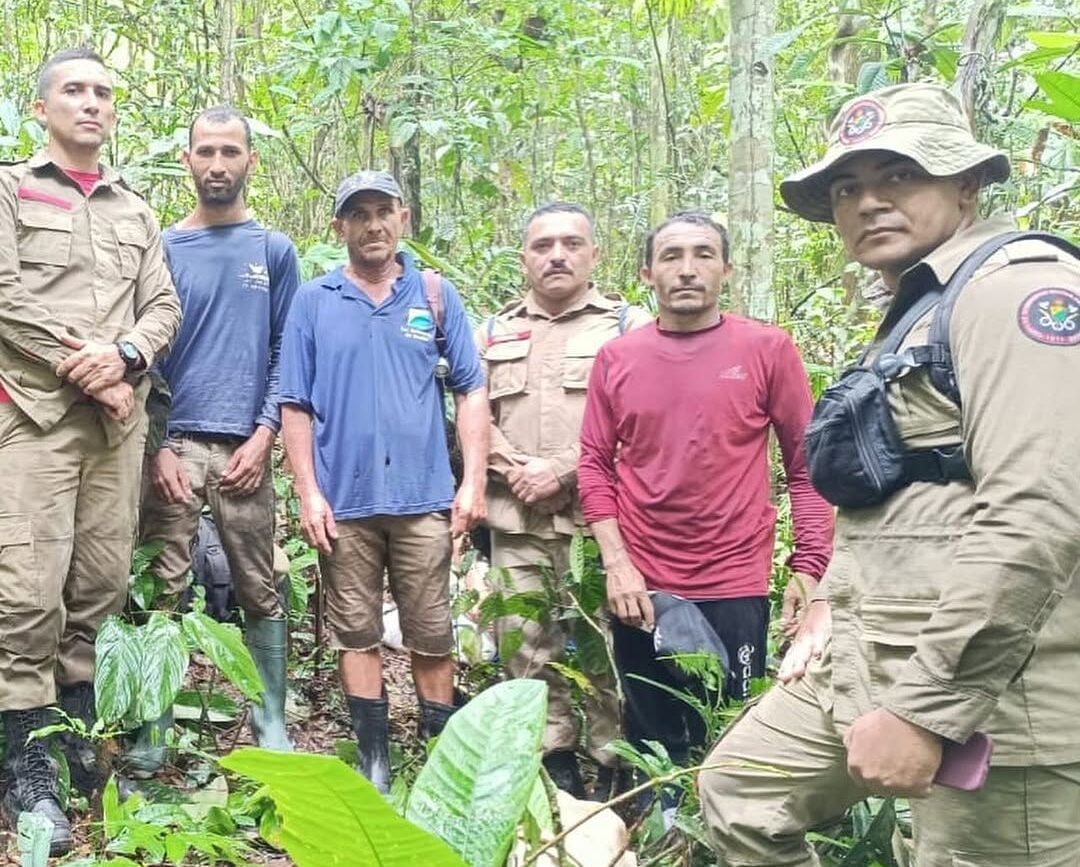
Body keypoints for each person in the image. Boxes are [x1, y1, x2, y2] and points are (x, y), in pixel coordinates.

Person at [698, 83, 1080, 866]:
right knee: (741, 790)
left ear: (966, 184)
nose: (869, 202)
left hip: (1003, 700)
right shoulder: (922, 305)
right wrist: (831, 609)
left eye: (899, 175)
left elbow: (1035, 512)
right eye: (847, 187)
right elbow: (906, 500)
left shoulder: (1014, 292)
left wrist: (926, 711)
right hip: (875, 660)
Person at [0, 48, 181, 853]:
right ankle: (24, 755)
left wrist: (128, 361)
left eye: (104, 92)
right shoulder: (10, 187)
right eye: (74, 89)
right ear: (41, 108)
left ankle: (73, 733)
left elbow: (163, 303)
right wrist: (91, 367)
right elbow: (5, 297)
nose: (92, 103)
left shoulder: (136, 212)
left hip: (117, 430)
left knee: (99, 581)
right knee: (25, 585)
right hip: (33, 420)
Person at [577, 211, 834, 776]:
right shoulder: (618, 358)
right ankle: (660, 832)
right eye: (671, 256)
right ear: (647, 272)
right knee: (652, 728)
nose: (687, 270)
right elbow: (594, 465)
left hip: (734, 576)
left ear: (727, 270)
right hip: (643, 580)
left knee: (728, 724)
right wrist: (617, 565)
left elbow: (807, 466)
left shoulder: (767, 349)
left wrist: (809, 567)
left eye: (702, 255)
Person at [279, 170, 488, 793]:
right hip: (345, 502)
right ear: (339, 226)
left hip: (423, 499)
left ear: (403, 220)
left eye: (384, 212)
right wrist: (308, 491)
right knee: (356, 630)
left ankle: (438, 752)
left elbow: (471, 388)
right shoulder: (315, 301)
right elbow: (295, 404)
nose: (373, 225)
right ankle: (374, 757)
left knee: (429, 630)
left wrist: (471, 481)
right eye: (359, 214)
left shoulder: (434, 295)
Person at [137, 106, 301, 756]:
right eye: (205, 151)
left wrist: (266, 436)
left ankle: (271, 724)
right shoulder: (165, 247)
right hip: (175, 451)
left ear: (251, 161)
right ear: (187, 159)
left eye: (230, 152)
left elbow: (288, 347)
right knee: (164, 588)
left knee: (260, 586)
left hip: (246, 451)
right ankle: (153, 728)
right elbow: (145, 354)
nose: (217, 164)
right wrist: (160, 447)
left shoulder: (274, 250)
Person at [480, 202, 652, 799]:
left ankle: (612, 759)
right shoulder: (495, 330)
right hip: (516, 518)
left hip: (598, 522)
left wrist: (560, 470)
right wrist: (513, 468)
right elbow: (473, 414)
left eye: (571, 243)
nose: (557, 255)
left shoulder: (627, 326)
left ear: (594, 254)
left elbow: (641, 421)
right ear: (524, 257)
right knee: (525, 642)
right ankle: (550, 758)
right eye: (543, 245)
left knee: (607, 639)